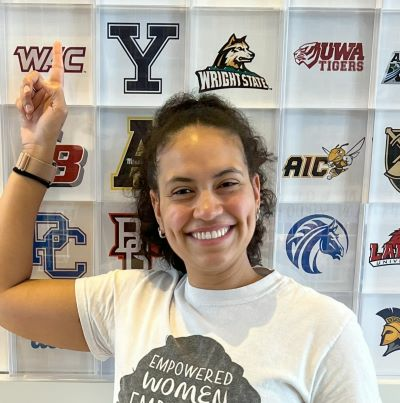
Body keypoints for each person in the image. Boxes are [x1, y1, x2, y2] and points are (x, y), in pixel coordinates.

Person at [0, 41, 382, 403]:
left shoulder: (327, 330)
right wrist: (37, 149)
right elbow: (5, 295)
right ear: (159, 208)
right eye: (182, 191)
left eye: (226, 184)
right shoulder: (129, 301)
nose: (207, 208)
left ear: (254, 190)